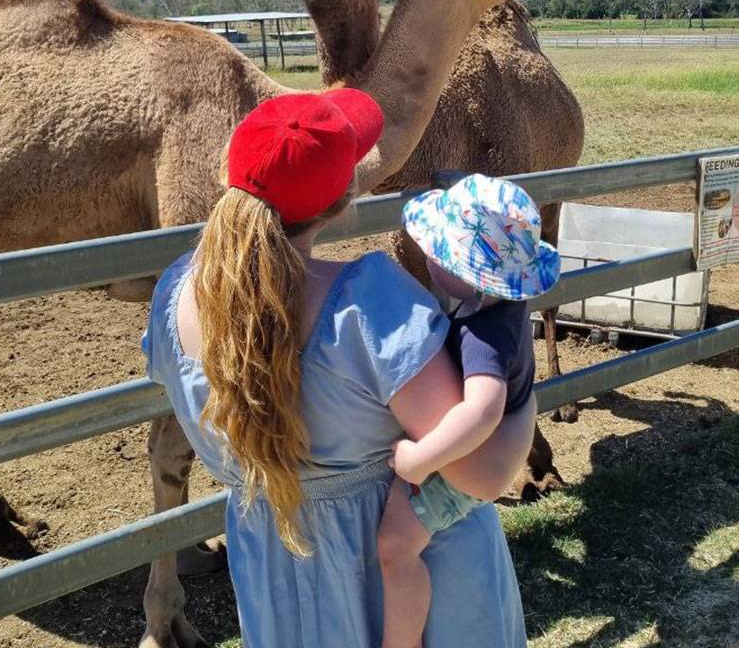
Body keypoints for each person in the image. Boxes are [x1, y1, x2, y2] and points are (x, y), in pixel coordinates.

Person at [141, 90, 535, 647]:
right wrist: (524, 396)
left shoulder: (174, 294)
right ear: (344, 197)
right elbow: (482, 474)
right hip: (402, 576)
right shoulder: (371, 304)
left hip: (273, 563)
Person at [378, 174, 560, 648]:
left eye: (441, 253)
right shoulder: (490, 307)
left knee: (395, 547)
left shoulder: (484, 335)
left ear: (474, 278)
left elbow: (481, 412)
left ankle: (402, 640)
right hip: (485, 446)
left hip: (469, 465)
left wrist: (422, 459)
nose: (429, 257)